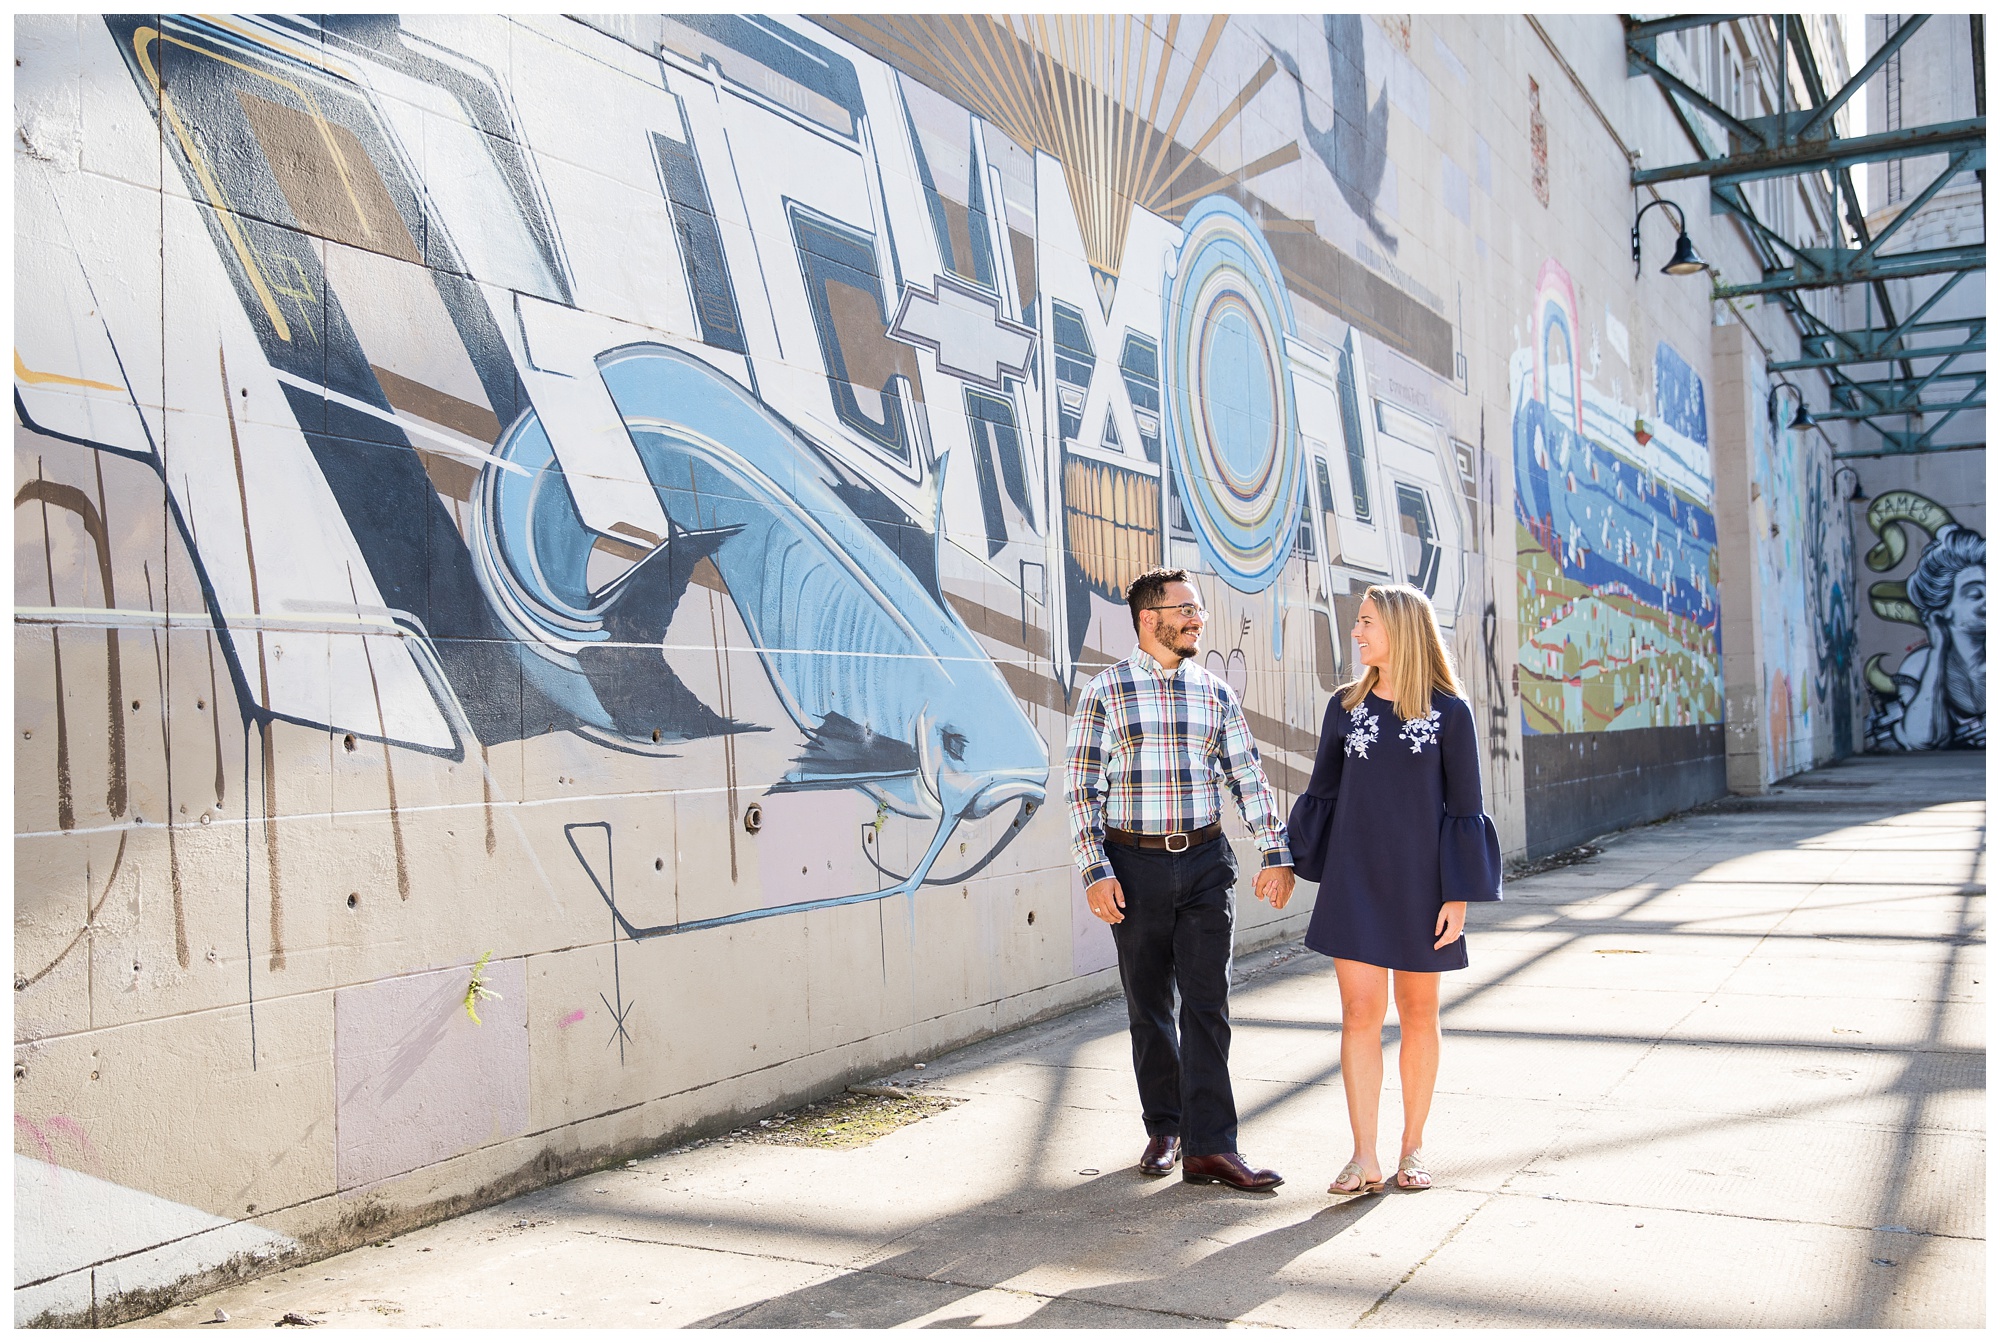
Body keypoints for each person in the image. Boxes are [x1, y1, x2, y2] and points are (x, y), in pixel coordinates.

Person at [1065, 567, 1297, 1191]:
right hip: (1132, 864)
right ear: (1150, 618)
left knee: (1208, 1004)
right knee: (1149, 1006)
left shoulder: (1213, 692)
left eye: (1197, 609)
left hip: (1203, 863)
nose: (1197, 618)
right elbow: (1083, 790)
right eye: (1185, 609)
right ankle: (1165, 1127)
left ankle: (1211, 1147)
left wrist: (1276, 850)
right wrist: (1095, 870)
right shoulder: (1105, 693)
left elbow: (1247, 774)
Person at [1287, 583, 1501, 1196]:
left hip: (1423, 887)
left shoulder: (1450, 715)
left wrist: (1456, 896)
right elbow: (1322, 794)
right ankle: (1363, 1158)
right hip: (1355, 883)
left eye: (1367, 623)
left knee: (1418, 1015)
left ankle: (1413, 1150)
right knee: (1358, 1015)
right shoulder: (1344, 708)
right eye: (1358, 622)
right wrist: (1286, 860)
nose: (1356, 633)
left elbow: (1466, 806)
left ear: (1401, 630)